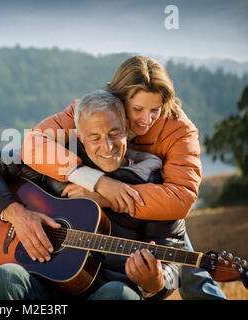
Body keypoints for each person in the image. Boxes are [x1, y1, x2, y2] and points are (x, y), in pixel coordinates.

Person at [20, 56, 226, 299]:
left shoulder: (180, 130)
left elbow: (181, 198)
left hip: (155, 200)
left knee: (183, 259)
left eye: (155, 111)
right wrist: (96, 181)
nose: (146, 120)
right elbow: (34, 143)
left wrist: (109, 197)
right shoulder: (95, 109)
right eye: (138, 109)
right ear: (119, 98)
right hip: (112, 193)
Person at [0, 89, 183, 300]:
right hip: (42, 287)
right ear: (79, 135)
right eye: (94, 137)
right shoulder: (55, 159)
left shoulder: (158, 186)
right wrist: (17, 214)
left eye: (114, 134)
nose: (107, 147)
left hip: (107, 292)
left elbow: (173, 261)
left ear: (127, 127)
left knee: (121, 294)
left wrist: (156, 284)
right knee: (6, 276)